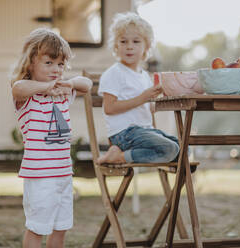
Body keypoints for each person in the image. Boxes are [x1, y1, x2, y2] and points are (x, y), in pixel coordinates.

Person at [10, 28, 92, 248]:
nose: (56, 70)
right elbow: (18, 87)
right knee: (37, 227)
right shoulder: (28, 96)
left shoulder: (64, 90)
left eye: (60, 64)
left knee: (60, 227)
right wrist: (47, 87)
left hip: (63, 173)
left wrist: (69, 84)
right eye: (48, 63)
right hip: (40, 177)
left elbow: (87, 84)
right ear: (30, 64)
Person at [97, 12, 180, 165]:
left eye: (136, 41)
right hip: (124, 133)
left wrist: (164, 95)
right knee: (170, 149)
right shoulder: (114, 73)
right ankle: (119, 157)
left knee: (183, 149)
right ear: (116, 45)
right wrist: (144, 97)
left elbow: (150, 107)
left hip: (145, 130)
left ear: (146, 46)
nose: (129, 47)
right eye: (123, 42)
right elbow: (109, 108)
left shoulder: (144, 77)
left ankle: (122, 154)